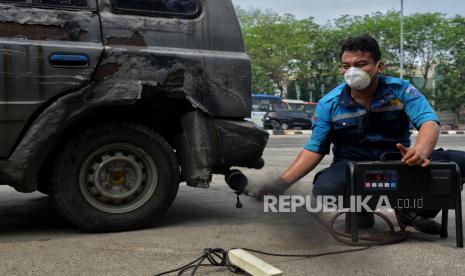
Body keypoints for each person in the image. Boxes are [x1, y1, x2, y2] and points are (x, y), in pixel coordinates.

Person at [256, 34, 465, 234]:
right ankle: (361, 208)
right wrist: (280, 183)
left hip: (401, 163)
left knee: (459, 163)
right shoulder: (329, 103)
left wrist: (420, 151)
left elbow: (429, 122)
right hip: (354, 168)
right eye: (346, 66)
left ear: (379, 67)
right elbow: (314, 149)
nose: (352, 71)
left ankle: (412, 211)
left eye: (361, 64)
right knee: (326, 189)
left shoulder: (402, 91)